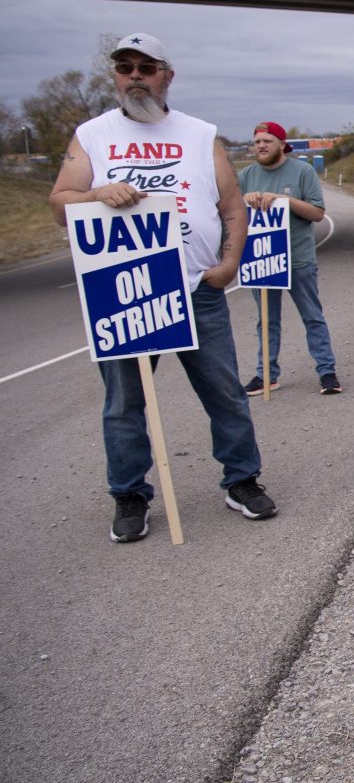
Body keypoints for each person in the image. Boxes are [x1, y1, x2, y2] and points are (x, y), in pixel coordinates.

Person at [49, 32, 277, 542]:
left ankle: (242, 480)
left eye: (146, 67)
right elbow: (61, 201)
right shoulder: (92, 135)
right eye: (125, 67)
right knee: (125, 402)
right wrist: (95, 193)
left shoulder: (200, 134)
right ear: (115, 77)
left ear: (166, 76)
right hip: (125, 289)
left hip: (196, 286)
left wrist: (229, 264)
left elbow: (232, 206)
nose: (135, 76)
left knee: (223, 391)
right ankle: (129, 495)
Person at [237, 122, 343, 396]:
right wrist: (243, 201)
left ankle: (327, 372)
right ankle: (266, 375)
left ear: (282, 145)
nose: (261, 145)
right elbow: (230, 215)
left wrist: (283, 200)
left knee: (312, 316)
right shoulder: (246, 175)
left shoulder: (302, 171)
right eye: (257, 141)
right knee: (266, 319)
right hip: (262, 260)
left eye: (268, 141)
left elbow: (317, 213)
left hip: (297, 258)